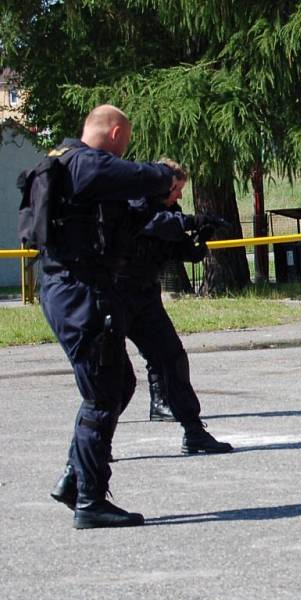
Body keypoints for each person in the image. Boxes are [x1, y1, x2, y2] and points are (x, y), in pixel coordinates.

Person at [49, 161, 234, 514]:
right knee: (114, 384)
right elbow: (155, 225)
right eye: (174, 189)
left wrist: (201, 234)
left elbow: (180, 248)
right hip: (117, 294)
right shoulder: (135, 203)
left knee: (171, 358)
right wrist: (188, 223)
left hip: (145, 297)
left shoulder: (169, 210)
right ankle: (79, 468)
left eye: (179, 191)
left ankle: (193, 431)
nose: (177, 195)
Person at [37, 105, 176, 528]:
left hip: (71, 290)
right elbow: (130, 176)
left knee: (119, 383)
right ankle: (89, 501)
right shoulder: (83, 164)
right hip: (79, 295)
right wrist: (161, 175)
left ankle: (75, 478)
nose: (124, 150)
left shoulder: (65, 162)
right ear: (115, 132)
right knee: (102, 394)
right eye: (124, 140)